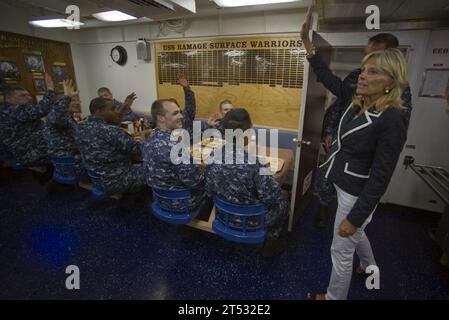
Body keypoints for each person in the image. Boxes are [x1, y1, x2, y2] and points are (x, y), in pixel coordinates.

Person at [302, 47, 409, 299]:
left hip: (356, 193)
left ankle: (332, 297)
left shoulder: (392, 119)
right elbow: (330, 81)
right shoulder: (359, 102)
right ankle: (370, 267)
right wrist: (310, 50)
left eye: (373, 72)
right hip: (341, 180)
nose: (362, 76)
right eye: (363, 70)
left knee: (341, 248)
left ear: (391, 82)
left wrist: (355, 217)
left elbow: (381, 177)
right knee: (358, 235)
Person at [300, 6, 412, 228]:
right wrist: (308, 45)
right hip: (341, 143)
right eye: (366, 56)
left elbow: (383, 165)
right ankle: (324, 208)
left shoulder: (398, 102)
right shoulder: (357, 77)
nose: (365, 69)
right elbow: (338, 93)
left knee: (350, 227)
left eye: (374, 57)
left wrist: (356, 217)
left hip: (360, 164)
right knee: (326, 185)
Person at [205, 108, 289, 243]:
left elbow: (209, 190)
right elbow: (273, 197)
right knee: (283, 201)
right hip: (250, 221)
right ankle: (272, 239)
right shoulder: (255, 164)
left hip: (222, 215)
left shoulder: (212, 156)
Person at [142, 74, 209, 215]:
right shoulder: (175, 147)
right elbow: (195, 181)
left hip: (158, 198)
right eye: (175, 113)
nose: (181, 116)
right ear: (160, 118)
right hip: (180, 202)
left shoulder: (149, 139)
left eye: (180, 112)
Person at [75, 96, 146, 195]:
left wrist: (124, 107)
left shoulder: (80, 128)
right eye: (112, 109)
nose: (116, 112)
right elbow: (140, 150)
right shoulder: (111, 132)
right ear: (99, 111)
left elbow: (111, 125)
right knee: (153, 166)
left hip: (95, 179)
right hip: (117, 181)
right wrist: (143, 141)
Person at [0, 74, 55, 167]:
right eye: (23, 95)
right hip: (32, 156)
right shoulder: (14, 110)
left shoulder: (5, 110)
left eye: (29, 95)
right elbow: (44, 108)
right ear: (9, 98)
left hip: (24, 154)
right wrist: (50, 89)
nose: (29, 98)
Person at [44, 80, 84, 176]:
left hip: (71, 158)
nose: (78, 103)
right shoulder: (54, 116)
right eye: (73, 100)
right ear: (60, 103)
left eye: (77, 100)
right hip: (69, 163)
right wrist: (67, 97)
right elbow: (57, 118)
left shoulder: (68, 117)